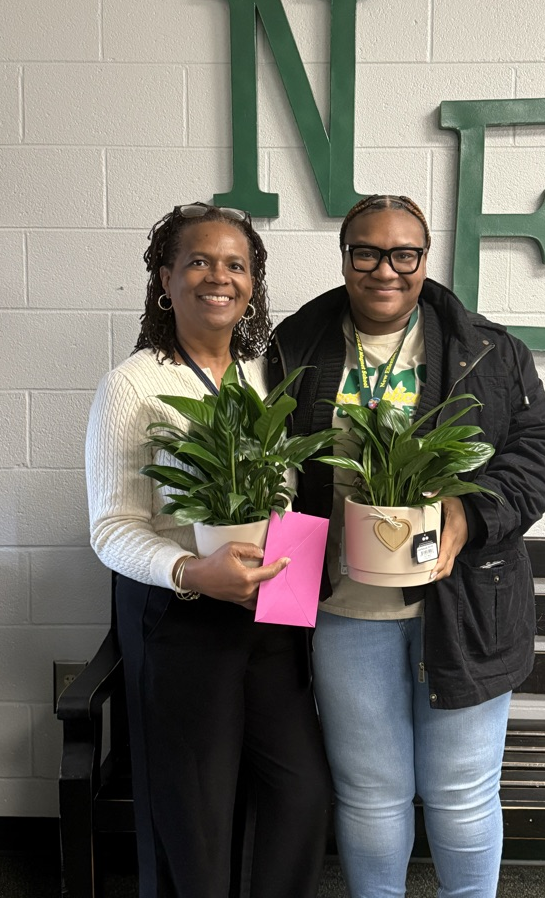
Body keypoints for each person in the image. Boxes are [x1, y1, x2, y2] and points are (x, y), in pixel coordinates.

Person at [266, 194, 545, 898]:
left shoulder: (490, 349)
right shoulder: (293, 345)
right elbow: (270, 472)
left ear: (425, 260)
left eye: (404, 253)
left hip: (464, 606)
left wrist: (469, 513)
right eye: (366, 252)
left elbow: (539, 451)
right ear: (344, 258)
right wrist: (280, 609)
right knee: (371, 790)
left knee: (460, 792)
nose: (385, 269)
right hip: (346, 610)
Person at [85, 203, 331, 898]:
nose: (217, 277)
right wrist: (190, 570)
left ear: (252, 284)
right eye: (198, 261)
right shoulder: (133, 386)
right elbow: (112, 528)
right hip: (182, 620)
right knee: (197, 824)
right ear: (166, 279)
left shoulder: (262, 377)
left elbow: (284, 495)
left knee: (302, 795)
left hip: (267, 622)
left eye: (235, 264)